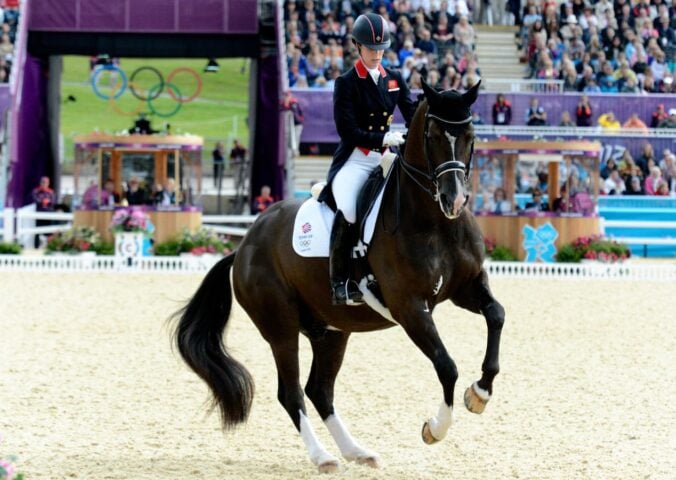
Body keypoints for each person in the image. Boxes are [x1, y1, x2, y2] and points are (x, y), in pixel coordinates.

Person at [317, 12, 416, 306]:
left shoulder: (395, 79)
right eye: (371, 48)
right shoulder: (346, 83)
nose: (377, 54)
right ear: (357, 47)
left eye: (381, 48)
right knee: (348, 209)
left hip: (385, 159)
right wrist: (382, 139)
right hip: (355, 160)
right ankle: (339, 282)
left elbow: (411, 115)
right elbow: (346, 130)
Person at [31, 176, 55, 248]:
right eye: (43, 182)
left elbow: (53, 202)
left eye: (46, 182)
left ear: (48, 183)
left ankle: (50, 247)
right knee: (37, 231)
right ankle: (36, 247)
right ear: (40, 183)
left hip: (48, 214)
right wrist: (44, 201)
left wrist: (46, 202)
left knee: (49, 231)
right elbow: (36, 200)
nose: (44, 184)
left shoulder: (51, 192)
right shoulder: (36, 191)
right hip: (39, 214)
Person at [281, 91, 305, 155]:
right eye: (285, 96)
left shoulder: (294, 103)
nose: (286, 97)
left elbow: (296, 114)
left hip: (297, 124)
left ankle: (295, 151)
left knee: (296, 137)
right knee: (286, 137)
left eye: (288, 96)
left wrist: (288, 104)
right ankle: (286, 152)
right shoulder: (282, 103)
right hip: (287, 124)